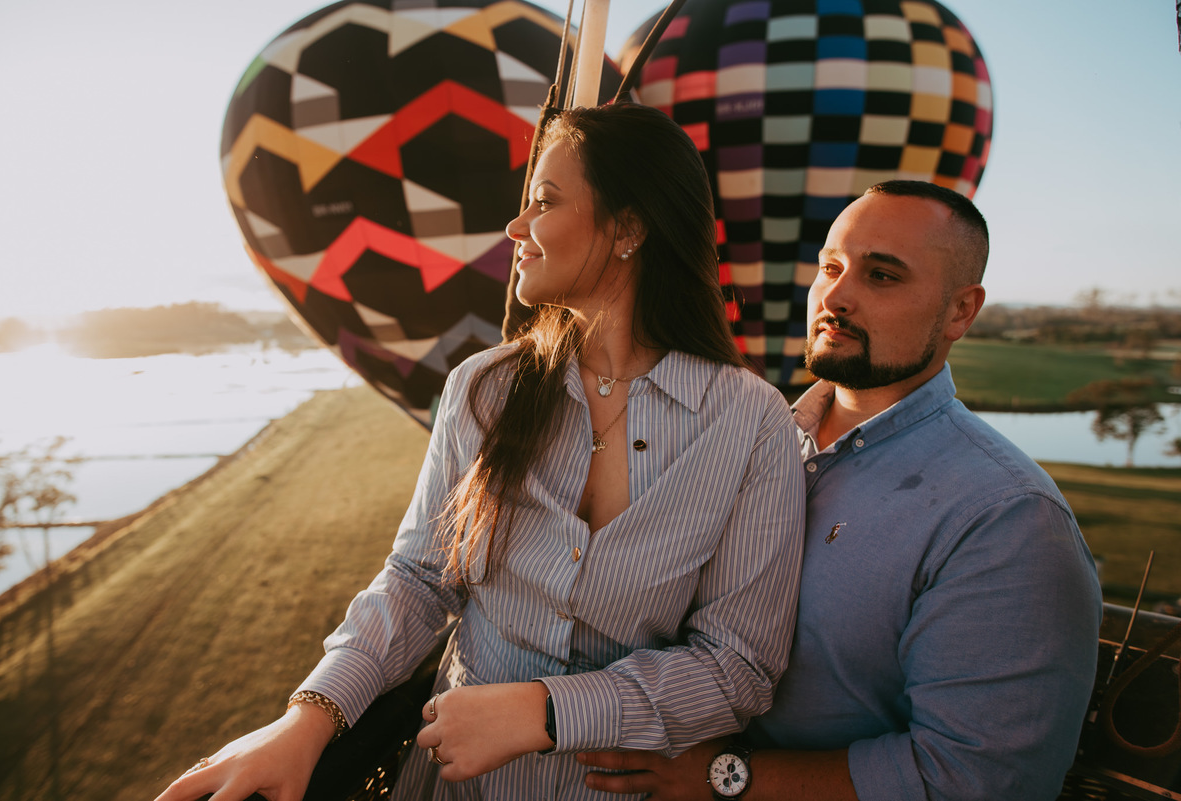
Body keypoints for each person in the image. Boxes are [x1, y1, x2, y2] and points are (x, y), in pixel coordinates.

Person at [154, 102, 805, 801]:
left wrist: (546, 711)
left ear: (628, 229)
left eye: (544, 202)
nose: (515, 228)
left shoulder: (751, 424)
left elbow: (738, 667)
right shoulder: (485, 389)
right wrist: (309, 716)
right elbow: (417, 579)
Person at [579, 180, 1103, 800]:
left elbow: (978, 781)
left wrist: (725, 777)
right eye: (830, 268)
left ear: (961, 311)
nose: (836, 296)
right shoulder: (741, 439)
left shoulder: (1006, 517)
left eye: (882, 276)